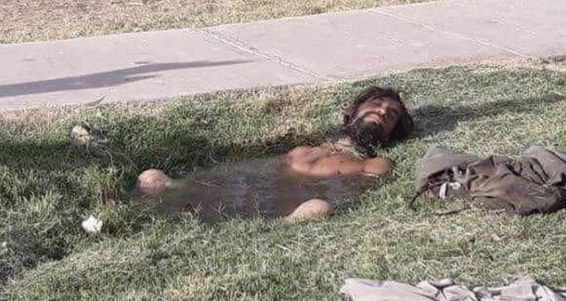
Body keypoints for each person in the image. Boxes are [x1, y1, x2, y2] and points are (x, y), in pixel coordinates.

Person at [136, 86, 414, 222]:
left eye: (391, 116)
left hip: (297, 206)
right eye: (377, 104)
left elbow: (356, 193)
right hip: (263, 193)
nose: (382, 112)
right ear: (352, 111)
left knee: (319, 207)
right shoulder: (304, 149)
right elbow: (254, 172)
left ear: (391, 134)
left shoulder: (375, 163)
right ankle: (177, 189)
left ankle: (279, 226)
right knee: (151, 178)